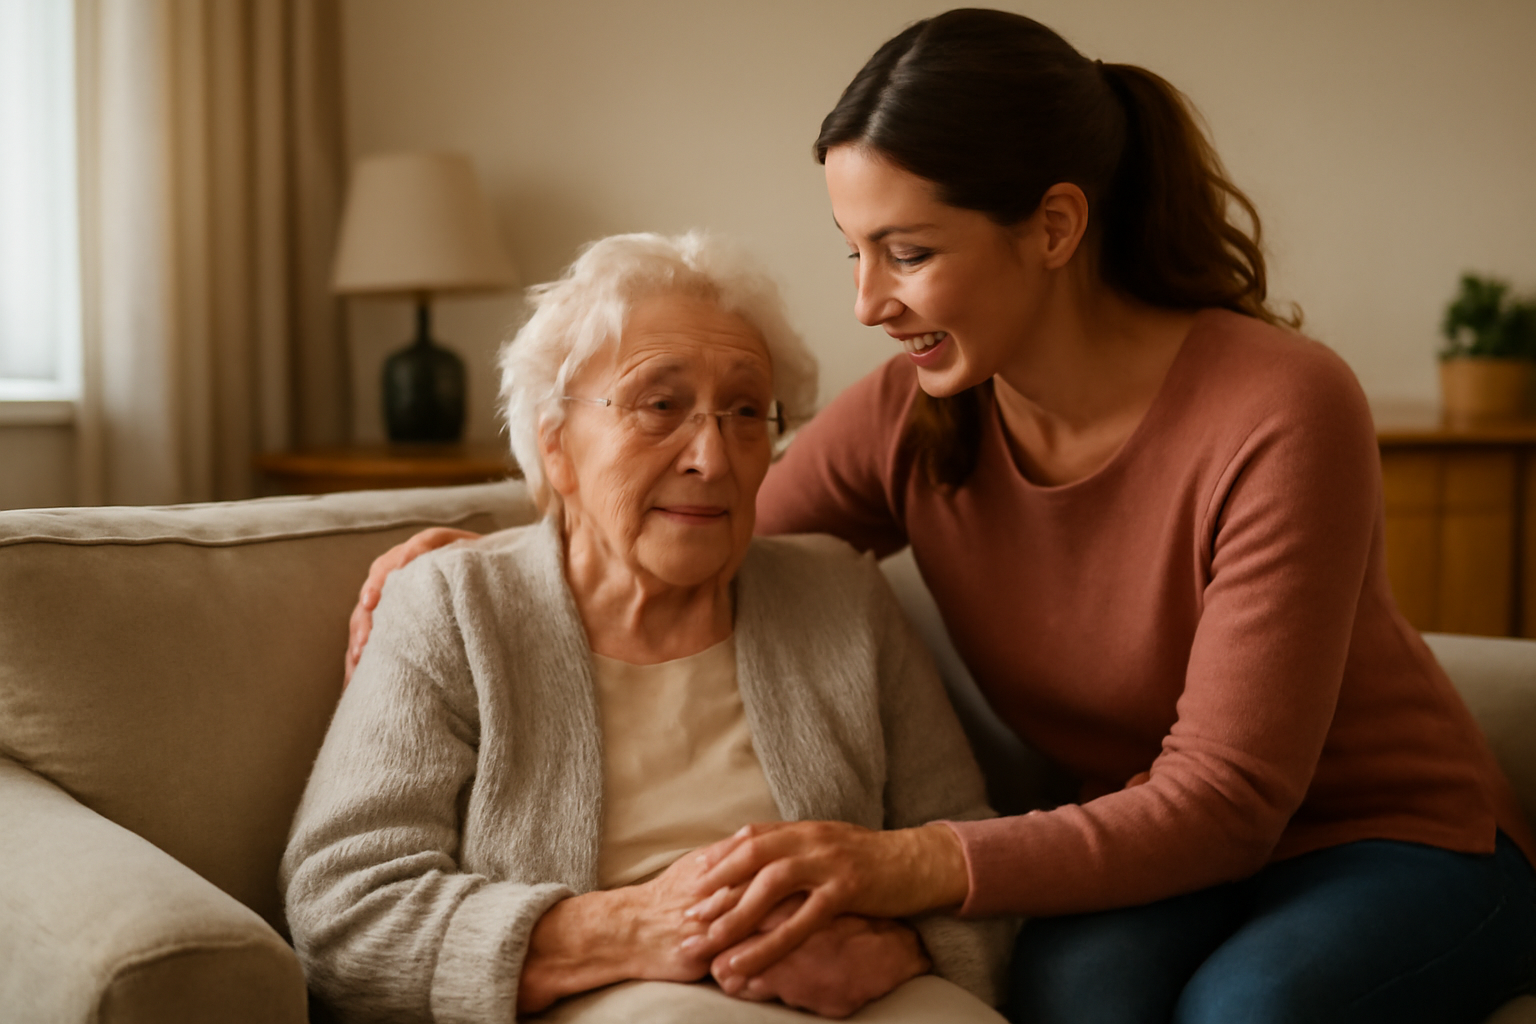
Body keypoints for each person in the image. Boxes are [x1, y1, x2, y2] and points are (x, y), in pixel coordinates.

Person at [342, 10, 1536, 1023]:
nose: (867, 302)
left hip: (1390, 839)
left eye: (907, 252)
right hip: (1153, 859)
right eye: (854, 251)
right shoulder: (915, 412)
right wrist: (501, 549)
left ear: (1056, 226)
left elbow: (1225, 803)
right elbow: (710, 517)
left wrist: (894, 863)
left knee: (1248, 1010)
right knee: (1071, 990)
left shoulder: (1280, 403)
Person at [283, 231, 1012, 1024]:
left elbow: (968, 849)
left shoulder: (841, 593)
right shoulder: (455, 608)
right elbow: (344, 905)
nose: (713, 455)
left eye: (744, 412)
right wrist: (635, 929)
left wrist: (897, 949)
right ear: (555, 445)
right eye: (661, 405)